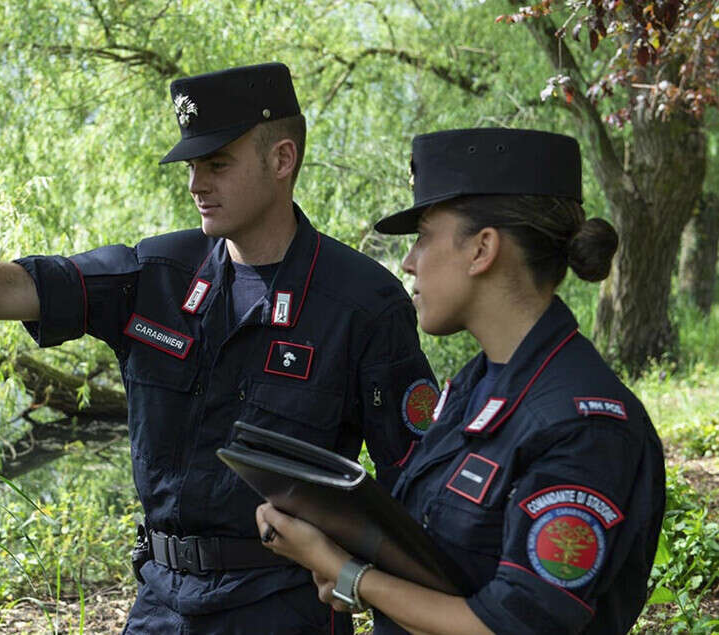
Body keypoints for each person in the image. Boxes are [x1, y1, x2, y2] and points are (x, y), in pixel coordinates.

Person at [0, 63, 436, 634]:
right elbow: (14, 286)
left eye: (218, 163)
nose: (197, 182)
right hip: (161, 601)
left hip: (280, 605)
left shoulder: (360, 303)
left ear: (281, 159)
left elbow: (413, 490)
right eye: (193, 164)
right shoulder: (156, 274)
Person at [255, 128, 666, 634]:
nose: (409, 261)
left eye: (424, 237)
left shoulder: (582, 427)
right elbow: (442, 561)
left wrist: (352, 577)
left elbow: (509, 626)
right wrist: (335, 546)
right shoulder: (479, 384)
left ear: (482, 249)